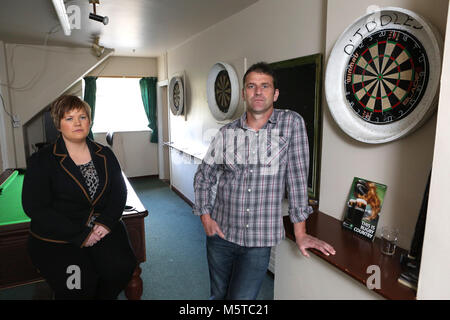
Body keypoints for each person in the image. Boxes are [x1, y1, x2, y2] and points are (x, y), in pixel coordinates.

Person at [193, 62, 336, 300]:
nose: (258, 92)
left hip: (258, 240)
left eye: (265, 86)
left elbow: (297, 180)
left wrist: (300, 233)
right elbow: (203, 176)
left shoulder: (291, 124)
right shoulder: (226, 133)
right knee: (217, 296)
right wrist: (205, 217)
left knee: (241, 300)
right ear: (243, 94)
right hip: (220, 234)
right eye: (251, 86)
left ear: (275, 94)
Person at [22, 95, 136, 299]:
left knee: (121, 269)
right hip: (59, 238)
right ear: (58, 124)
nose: (77, 122)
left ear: (89, 121)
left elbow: (119, 191)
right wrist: (81, 235)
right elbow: (35, 207)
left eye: (82, 117)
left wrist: (107, 223)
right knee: (78, 286)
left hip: (102, 229)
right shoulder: (41, 160)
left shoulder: (105, 154)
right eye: (69, 118)